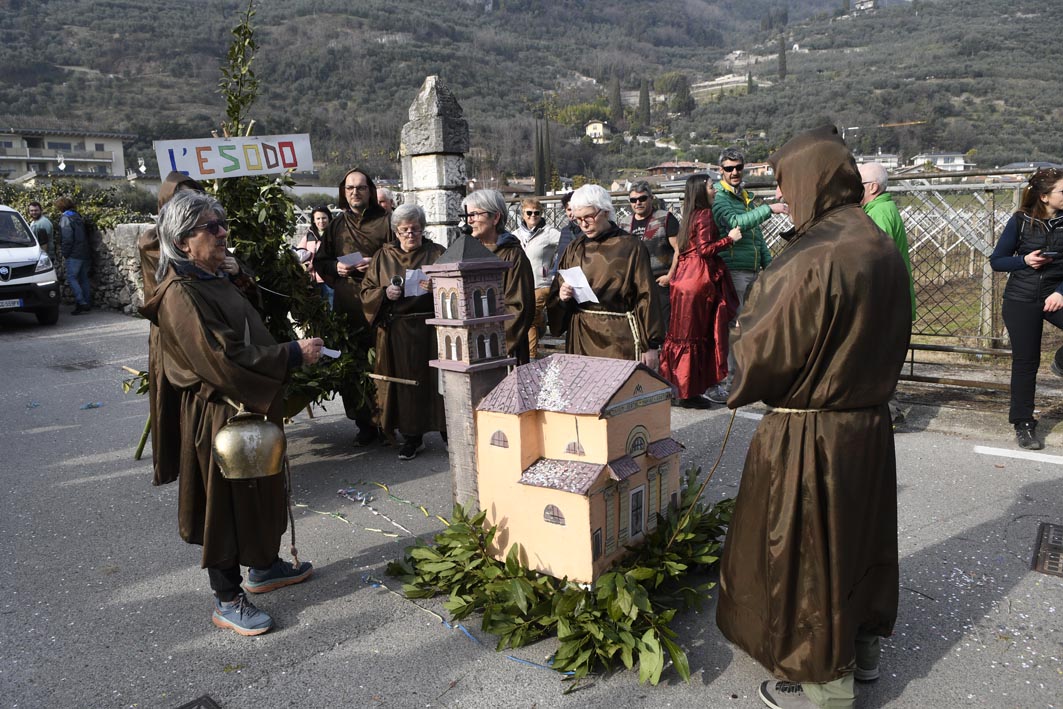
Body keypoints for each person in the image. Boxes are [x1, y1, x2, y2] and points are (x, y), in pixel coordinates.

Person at [715, 126, 911, 709]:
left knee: (810, 559)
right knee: (860, 541)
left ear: (811, 181)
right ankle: (864, 651)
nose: (781, 197)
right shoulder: (877, 242)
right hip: (867, 424)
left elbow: (758, 358)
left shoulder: (810, 254)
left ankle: (827, 685)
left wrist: (738, 345)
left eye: (784, 184)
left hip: (812, 431)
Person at [139, 190, 324, 637]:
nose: (223, 233)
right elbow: (222, 359)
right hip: (217, 413)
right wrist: (291, 355)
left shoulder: (210, 277)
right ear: (184, 241)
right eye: (211, 227)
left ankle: (263, 567)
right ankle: (226, 597)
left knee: (259, 493)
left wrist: (241, 277)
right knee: (221, 505)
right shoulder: (179, 293)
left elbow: (246, 318)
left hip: (246, 408)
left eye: (222, 224)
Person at [360, 204, 447, 460]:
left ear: (423, 229)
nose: (410, 235)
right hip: (398, 330)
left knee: (438, 383)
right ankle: (412, 437)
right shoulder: (382, 257)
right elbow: (366, 291)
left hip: (432, 328)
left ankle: (446, 432)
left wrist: (437, 288)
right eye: (404, 230)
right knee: (408, 386)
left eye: (416, 229)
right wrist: (384, 293)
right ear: (396, 232)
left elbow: (457, 285)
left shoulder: (437, 253)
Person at [138, 171, 208, 485]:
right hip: (172, 330)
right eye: (180, 197)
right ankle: (185, 470)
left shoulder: (207, 231)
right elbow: (165, 287)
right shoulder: (153, 241)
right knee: (176, 404)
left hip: (205, 324)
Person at [314, 168, 393, 446]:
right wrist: (335, 266)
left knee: (383, 361)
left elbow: (403, 257)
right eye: (349, 188)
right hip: (348, 306)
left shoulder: (387, 222)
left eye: (360, 187)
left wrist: (376, 263)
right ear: (343, 192)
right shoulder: (336, 225)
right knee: (354, 366)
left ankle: (388, 421)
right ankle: (363, 423)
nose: (355, 192)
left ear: (369, 191)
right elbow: (320, 262)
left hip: (380, 306)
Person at [547, 184, 664, 368]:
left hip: (618, 336)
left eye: (589, 217)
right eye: (578, 219)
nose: (584, 224)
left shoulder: (630, 246)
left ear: (606, 212)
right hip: (582, 334)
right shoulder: (574, 248)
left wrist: (650, 344)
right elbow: (557, 294)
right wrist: (562, 297)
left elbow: (646, 295)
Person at [706, 148, 788, 403]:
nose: (734, 172)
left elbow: (757, 237)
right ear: (721, 170)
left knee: (749, 326)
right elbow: (735, 223)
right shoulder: (719, 198)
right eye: (729, 168)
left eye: (738, 167)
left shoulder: (744, 197)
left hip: (751, 269)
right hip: (733, 270)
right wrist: (769, 209)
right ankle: (729, 381)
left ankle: (743, 378)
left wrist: (769, 265)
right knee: (733, 328)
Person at [989, 166, 1063, 451]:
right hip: (1021, 299)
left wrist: (1060, 292)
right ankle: (1024, 423)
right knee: (1025, 363)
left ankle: (1060, 363)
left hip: (1054, 296)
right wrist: (1025, 261)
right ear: (1044, 196)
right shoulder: (1020, 221)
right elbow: (998, 261)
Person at [659, 174, 742, 408]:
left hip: (683, 279)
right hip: (697, 279)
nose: (714, 190)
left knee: (679, 335)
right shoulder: (705, 214)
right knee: (695, 336)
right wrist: (730, 239)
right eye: (710, 187)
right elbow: (705, 250)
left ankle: (677, 389)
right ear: (700, 191)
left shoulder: (689, 216)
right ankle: (689, 393)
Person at [859, 162, 916, 425]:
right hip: (891, 301)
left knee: (877, 360)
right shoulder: (881, 208)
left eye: (857, 184)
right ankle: (889, 412)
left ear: (872, 187)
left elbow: (873, 259)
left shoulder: (879, 213)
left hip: (885, 302)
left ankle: (888, 415)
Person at [461, 189, 536, 364]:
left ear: (495, 218)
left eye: (475, 214)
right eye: (467, 215)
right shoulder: (468, 252)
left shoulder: (513, 256)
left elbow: (519, 308)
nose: (469, 220)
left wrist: (492, 342)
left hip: (502, 347)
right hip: (471, 345)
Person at [621, 180, 680, 331]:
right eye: (633, 200)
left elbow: (679, 249)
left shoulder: (665, 218)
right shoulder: (624, 223)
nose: (638, 203)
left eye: (642, 198)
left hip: (660, 282)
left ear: (651, 198)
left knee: (664, 327)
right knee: (638, 327)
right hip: (635, 284)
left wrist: (670, 276)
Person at [513, 197, 560, 359]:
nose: (533, 216)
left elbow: (567, 245)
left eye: (537, 213)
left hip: (541, 284)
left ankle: (531, 357)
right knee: (533, 319)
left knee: (530, 319)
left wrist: (554, 270)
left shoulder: (549, 233)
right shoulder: (515, 235)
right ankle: (541, 322)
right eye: (529, 212)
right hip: (522, 285)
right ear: (522, 214)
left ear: (541, 214)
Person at [55, 196, 92, 315]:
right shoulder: (77, 216)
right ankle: (87, 302)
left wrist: (65, 253)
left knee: (72, 278)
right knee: (83, 278)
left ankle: (81, 303)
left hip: (74, 253)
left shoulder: (66, 218)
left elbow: (67, 238)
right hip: (84, 251)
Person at [295, 205, 335, 308]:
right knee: (315, 311)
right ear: (313, 220)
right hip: (312, 281)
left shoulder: (335, 234)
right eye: (318, 218)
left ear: (329, 218)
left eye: (324, 218)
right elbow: (298, 253)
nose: (321, 221)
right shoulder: (309, 235)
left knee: (331, 310)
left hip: (329, 281)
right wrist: (305, 262)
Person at [550, 190, 581, 275]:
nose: (572, 213)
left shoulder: (589, 231)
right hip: (566, 279)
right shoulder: (565, 231)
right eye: (569, 209)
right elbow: (560, 257)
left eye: (575, 209)